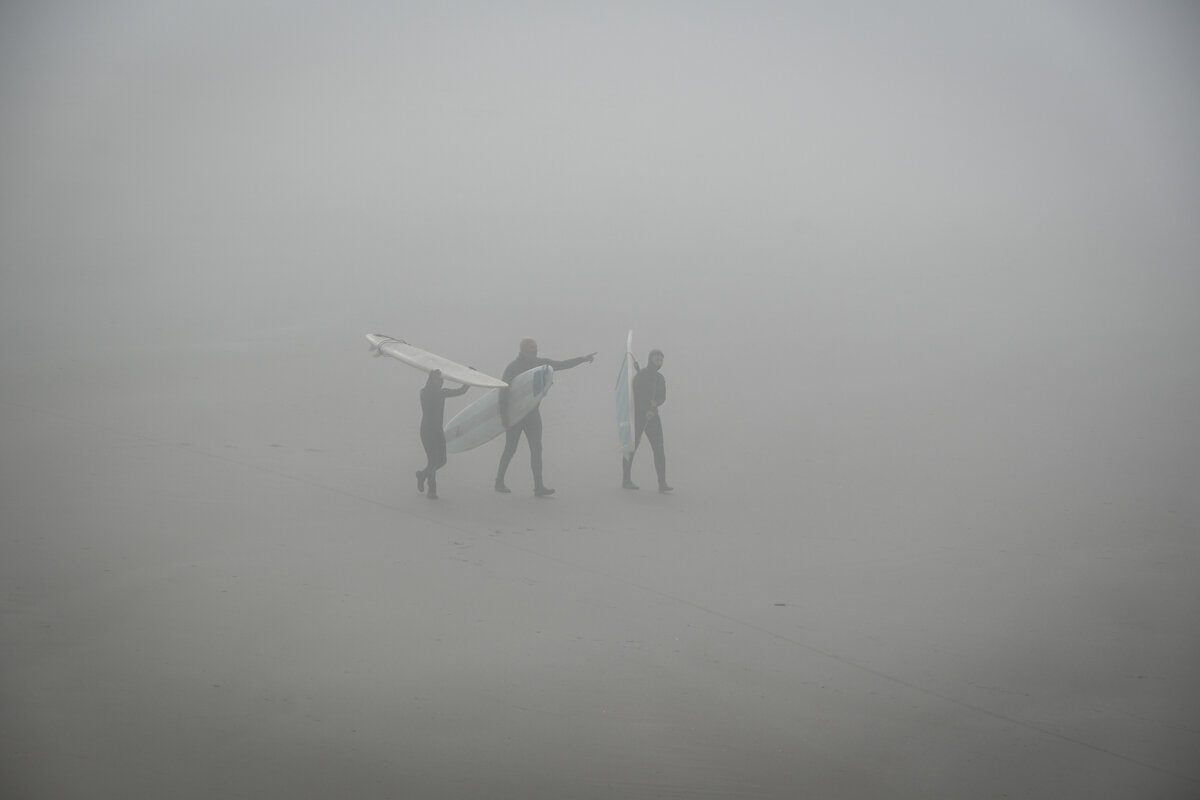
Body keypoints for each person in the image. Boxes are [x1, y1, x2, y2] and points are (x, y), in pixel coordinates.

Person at [495, 338, 596, 496]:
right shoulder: (513, 367)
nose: (535, 350)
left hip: (532, 414)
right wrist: (504, 416)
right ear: (522, 350)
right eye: (531, 347)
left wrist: (582, 359)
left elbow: (561, 364)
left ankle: (538, 486)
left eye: (535, 347)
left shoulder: (540, 364)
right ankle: (499, 482)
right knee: (510, 448)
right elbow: (504, 391)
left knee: (537, 449)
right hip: (516, 415)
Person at [623, 348, 672, 492]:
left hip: (653, 417)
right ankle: (626, 480)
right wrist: (646, 410)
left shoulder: (660, 378)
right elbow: (636, 396)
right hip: (638, 417)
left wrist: (656, 403)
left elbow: (663, 397)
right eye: (656, 359)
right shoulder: (640, 376)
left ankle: (662, 484)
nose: (659, 362)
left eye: (661, 360)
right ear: (650, 359)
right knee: (631, 447)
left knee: (659, 449)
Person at [415, 370, 469, 499]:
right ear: (431, 380)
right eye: (438, 380)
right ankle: (432, 490)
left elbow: (461, 391)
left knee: (442, 460)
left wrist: (468, 377)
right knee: (433, 461)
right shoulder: (428, 393)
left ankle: (422, 475)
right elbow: (459, 391)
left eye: (441, 380)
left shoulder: (437, 392)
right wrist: (468, 377)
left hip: (437, 431)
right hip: (427, 431)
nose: (441, 382)